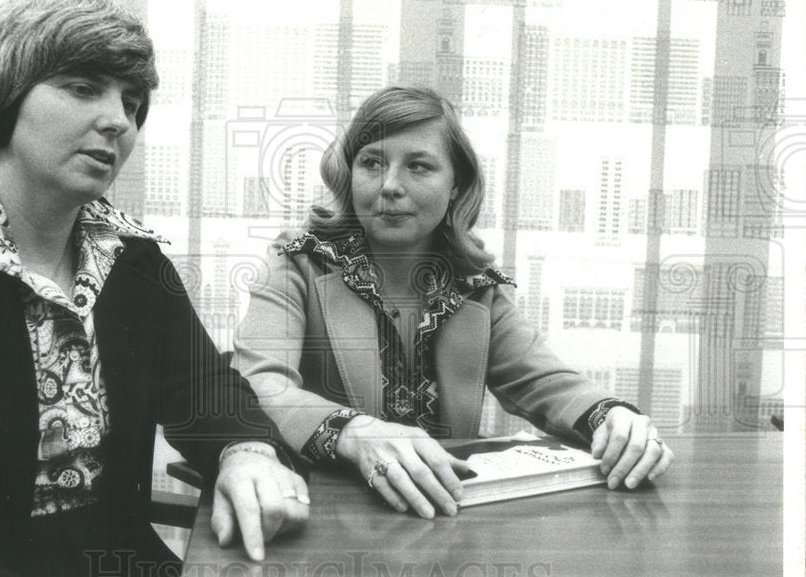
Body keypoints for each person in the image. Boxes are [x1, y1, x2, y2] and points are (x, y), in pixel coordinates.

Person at [0, 0, 308, 577]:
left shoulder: (128, 254)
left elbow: (200, 383)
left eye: (132, 102)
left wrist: (246, 452)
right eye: (83, 88)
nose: (118, 120)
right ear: (2, 97)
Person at [232, 86, 674, 520]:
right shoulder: (298, 264)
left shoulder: (474, 287)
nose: (389, 186)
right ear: (350, 174)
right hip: (324, 515)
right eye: (372, 163)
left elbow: (545, 381)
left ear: (456, 185)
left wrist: (611, 416)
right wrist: (355, 432)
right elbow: (257, 385)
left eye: (419, 167)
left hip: (444, 521)